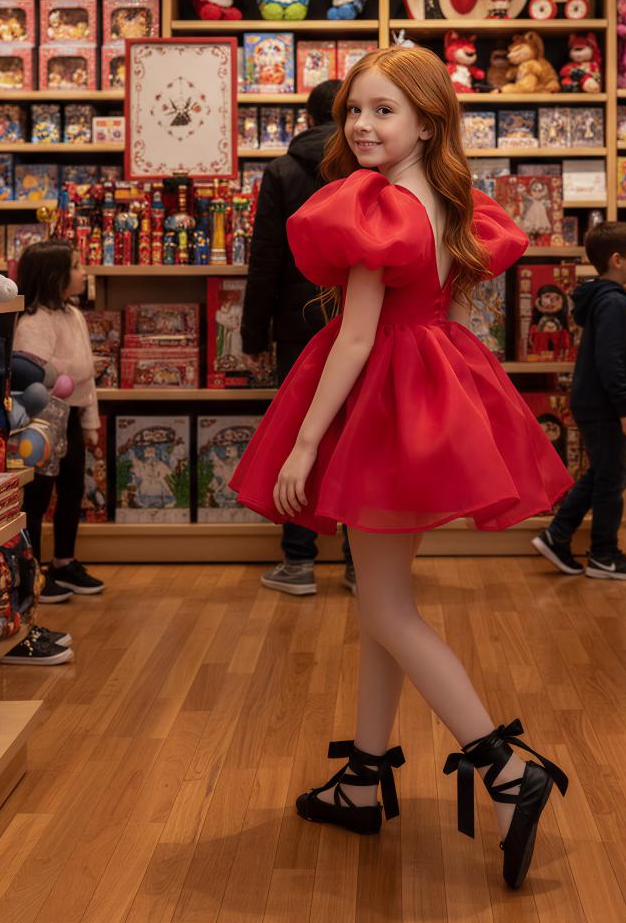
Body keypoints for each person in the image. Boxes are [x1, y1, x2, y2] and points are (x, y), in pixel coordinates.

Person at [228, 46, 572, 889]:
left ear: (427, 121)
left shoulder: (379, 206)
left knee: (384, 605)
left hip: (383, 394)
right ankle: (364, 776)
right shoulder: (445, 199)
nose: (362, 126)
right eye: (355, 111)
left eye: (384, 110)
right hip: (426, 385)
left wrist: (306, 443)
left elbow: (352, 333)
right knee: (384, 602)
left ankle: (505, 769)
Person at [241, 78, 353, 595]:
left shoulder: (282, 171)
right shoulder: (367, 167)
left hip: (296, 325)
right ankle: (361, 561)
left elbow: (265, 258)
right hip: (359, 321)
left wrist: (252, 333)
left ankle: (299, 560)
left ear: (306, 117)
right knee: (359, 434)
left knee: (299, 432)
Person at [531, 221, 626, 580]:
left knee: (604, 474)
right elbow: (609, 361)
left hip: (597, 404)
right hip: (604, 407)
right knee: (612, 480)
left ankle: (558, 535)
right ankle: (603, 554)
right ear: (617, 260)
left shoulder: (605, 299)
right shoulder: (612, 303)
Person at [15, 239, 105, 608]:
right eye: (77, 265)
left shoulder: (74, 314)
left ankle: (64, 560)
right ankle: (31, 568)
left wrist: (90, 421)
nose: (84, 272)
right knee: (36, 496)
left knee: (72, 490)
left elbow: (85, 382)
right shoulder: (34, 321)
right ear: (55, 275)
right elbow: (35, 376)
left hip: (71, 416)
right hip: (42, 422)